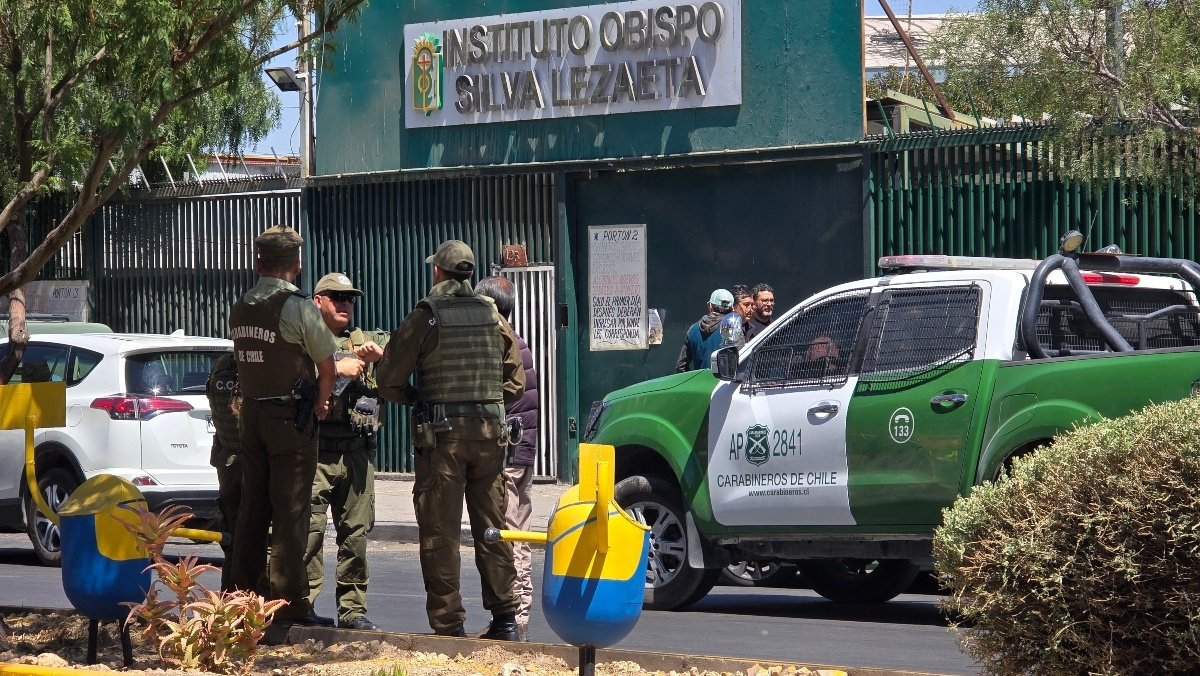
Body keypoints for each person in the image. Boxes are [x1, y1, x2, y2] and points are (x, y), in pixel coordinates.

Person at [375, 240, 525, 640]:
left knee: (441, 533)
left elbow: (388, 377)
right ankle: (506, 621)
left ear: (438, 272)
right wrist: (487, 404)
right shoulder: (492, 314)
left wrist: (419, 398)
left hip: (444, 440)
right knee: (491, 528)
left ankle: (448, 626)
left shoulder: (427, 315)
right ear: (470, 274)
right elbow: (516, 380)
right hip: (491, 437)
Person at [228, 224, 337, 627]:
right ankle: (290, 602)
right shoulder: (296, 307)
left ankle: (242, 598)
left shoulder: (240, 305)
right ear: (297, 263)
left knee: (252, 508)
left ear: (258, 262)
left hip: (252, 416)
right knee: (291, 511)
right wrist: (323, 402)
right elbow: (327, 365)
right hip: (290, 419)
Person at [305, 272, 388, 631]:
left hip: (355, 455)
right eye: (336, 297)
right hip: (315, 453)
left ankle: (352, 609)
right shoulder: (303, 342)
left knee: (355, 535)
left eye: (349, 298)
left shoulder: (366, 340)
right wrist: (335, 367)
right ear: (317, 301)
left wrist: (381, 358)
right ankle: (301, 605)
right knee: (309, 533)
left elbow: (405, 360)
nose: (344, 304)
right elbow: (281, 374)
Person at [475, 275, 539, 643]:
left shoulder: (502, 344)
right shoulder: (516, 340)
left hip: (510, 453)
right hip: (521, 449)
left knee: (511, 533)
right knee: (517, 529)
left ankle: (516, 618)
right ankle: (518, 616)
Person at [205, 351, 242, 592]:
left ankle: (230, 605)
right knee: (263, 541)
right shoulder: (259, 365)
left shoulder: (223, 365)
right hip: (250, 464)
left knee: (233, 540)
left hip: (229, 462)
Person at [676, 288, 734, 372]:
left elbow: (680, 366)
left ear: (710, 306)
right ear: (732, 309)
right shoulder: (734, 330)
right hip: (726, 384)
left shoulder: (693, 329)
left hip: (700, 384)